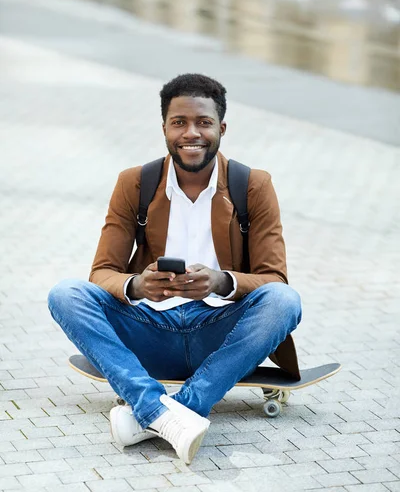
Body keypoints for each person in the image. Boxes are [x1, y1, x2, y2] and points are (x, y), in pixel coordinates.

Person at [48, 73, 302, 464]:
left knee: (284, 300)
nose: (191, 133)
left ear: (221, 127)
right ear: (165, 127)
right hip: (148, 332)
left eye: (203, 122)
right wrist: (137, 286)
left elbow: (274, 278)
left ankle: (159, 412)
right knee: (65, 294)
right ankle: (163, 410)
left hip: (220, 337)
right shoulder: (136, 183)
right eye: (179, 122)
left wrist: (222, 281)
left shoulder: (252, 184)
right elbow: (102, 272)